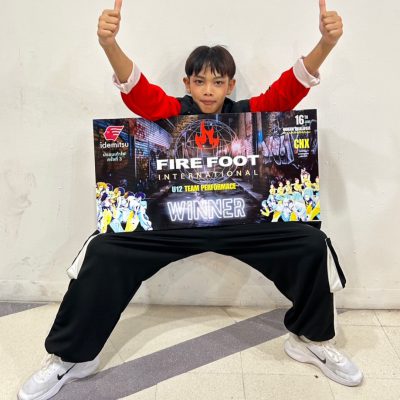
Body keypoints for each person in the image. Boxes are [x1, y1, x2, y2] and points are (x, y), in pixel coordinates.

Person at [18, 1, 363, 399]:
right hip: (173, 223)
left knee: (311, 243)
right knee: (104, 249)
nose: (208, 90)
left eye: (218, 82)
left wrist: (325, 43)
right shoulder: (170, 113)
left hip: (238, 221)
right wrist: (109, 44)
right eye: (200, 82)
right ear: (187, 83)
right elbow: (138, 90)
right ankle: (71, 357)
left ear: (230, 85)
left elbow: (289, 89)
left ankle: (310, 340)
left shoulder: (247, 114)